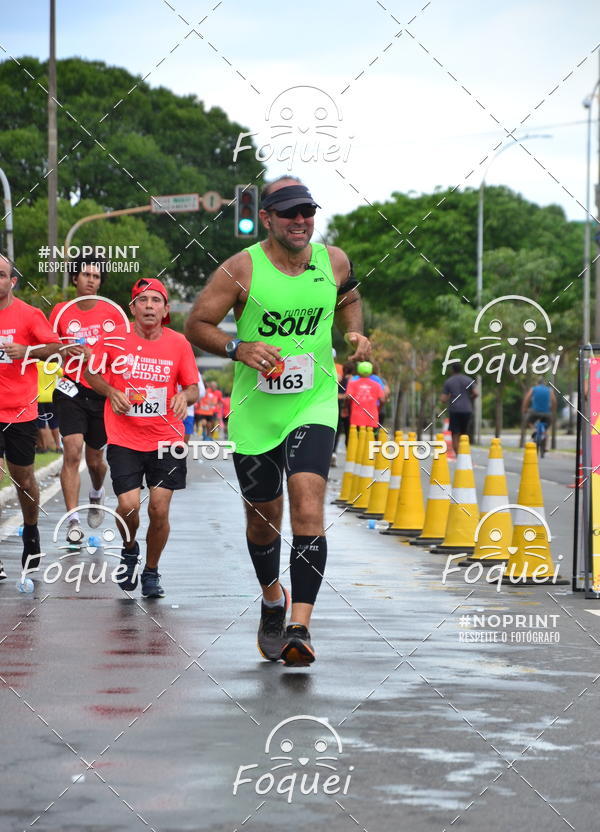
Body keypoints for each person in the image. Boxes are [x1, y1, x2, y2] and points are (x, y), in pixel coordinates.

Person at [185, 176, 370, 665]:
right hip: (255, 414)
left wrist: (354, 334)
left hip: (313, 401)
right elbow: (196, 323)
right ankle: (273, 598)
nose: (300, 221)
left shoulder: (334, 261)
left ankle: (299, 628)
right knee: (263, 522)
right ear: (266, 217)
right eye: (289, 213)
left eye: (307, 211)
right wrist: (238, 348)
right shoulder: (241, 269)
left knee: (308, 505)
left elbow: (349, 298)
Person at [85, 277, 199, 599]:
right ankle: (130, 548)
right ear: (132, 308)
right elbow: (91, 373)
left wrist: (184, 398)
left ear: (165, 309)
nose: (150, 306)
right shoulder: (113, 341)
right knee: (128, 505)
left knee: (159, 510)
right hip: (125, 436)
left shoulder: (179, 344)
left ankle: (151, 571)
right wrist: (110, 390)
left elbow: (192, 387)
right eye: (143, 300)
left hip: (167, 437)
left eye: (156, 300)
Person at [49, 255, 124, 546]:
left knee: (95, 461)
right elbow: (45, 346)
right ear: (75, 279)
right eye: (86, 275)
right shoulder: (60, 312)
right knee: (72, 450)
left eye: (96, 276)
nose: (91, 280)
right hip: (70, 389)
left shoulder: (113, 314)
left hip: (101, 391)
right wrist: (64, 348)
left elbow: (122, 352)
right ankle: (73, 521)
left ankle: (95, 493)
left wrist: (99, 359)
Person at [0, 254, 60, 577]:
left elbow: (57, 348)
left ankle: (31, 531)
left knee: (23, 479)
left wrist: (27, 351)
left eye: (1, 275)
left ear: (13, 281)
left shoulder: (29, 315)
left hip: (20, 410)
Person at [440, 362, 478, 454]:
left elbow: (443, 399)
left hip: (455, 410)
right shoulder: (468, 380)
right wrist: (469, 398)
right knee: (464, 433)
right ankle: (464, 452)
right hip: (467, 409)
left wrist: (448, 398)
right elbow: (476, 393)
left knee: (455, 433)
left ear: (452, 370)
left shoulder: (449, 381)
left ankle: (457, 454)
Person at [346, 361, 385, 428]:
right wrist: (378, 409)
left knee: (356, 437)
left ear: (358, 371)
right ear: (371, 371)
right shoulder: (377, 385)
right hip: (372, 418)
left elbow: (348, 397)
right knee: (371, 437)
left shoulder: (352, 384)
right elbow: (382, 400)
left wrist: (347, 407)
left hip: (356, 418)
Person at [522, 377, 556, 453]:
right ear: (544, 384)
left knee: (529, 421)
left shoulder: (533, 389)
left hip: (535, 412)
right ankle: (546, 446)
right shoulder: (549, 390)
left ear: (537, 383)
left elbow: (527, 399)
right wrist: (553, 410)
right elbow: (554, 400)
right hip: (546, 413)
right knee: (547, 427)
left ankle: (534, 430)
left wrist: (524, 408)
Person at [36, 358, 62, 453]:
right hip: (52, 397)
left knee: (40, 424)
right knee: (54, 423)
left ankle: (43, 447)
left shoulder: (36, 364)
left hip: (38, 398)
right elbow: (63, 374)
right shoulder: (54, 365)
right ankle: (58, 447)